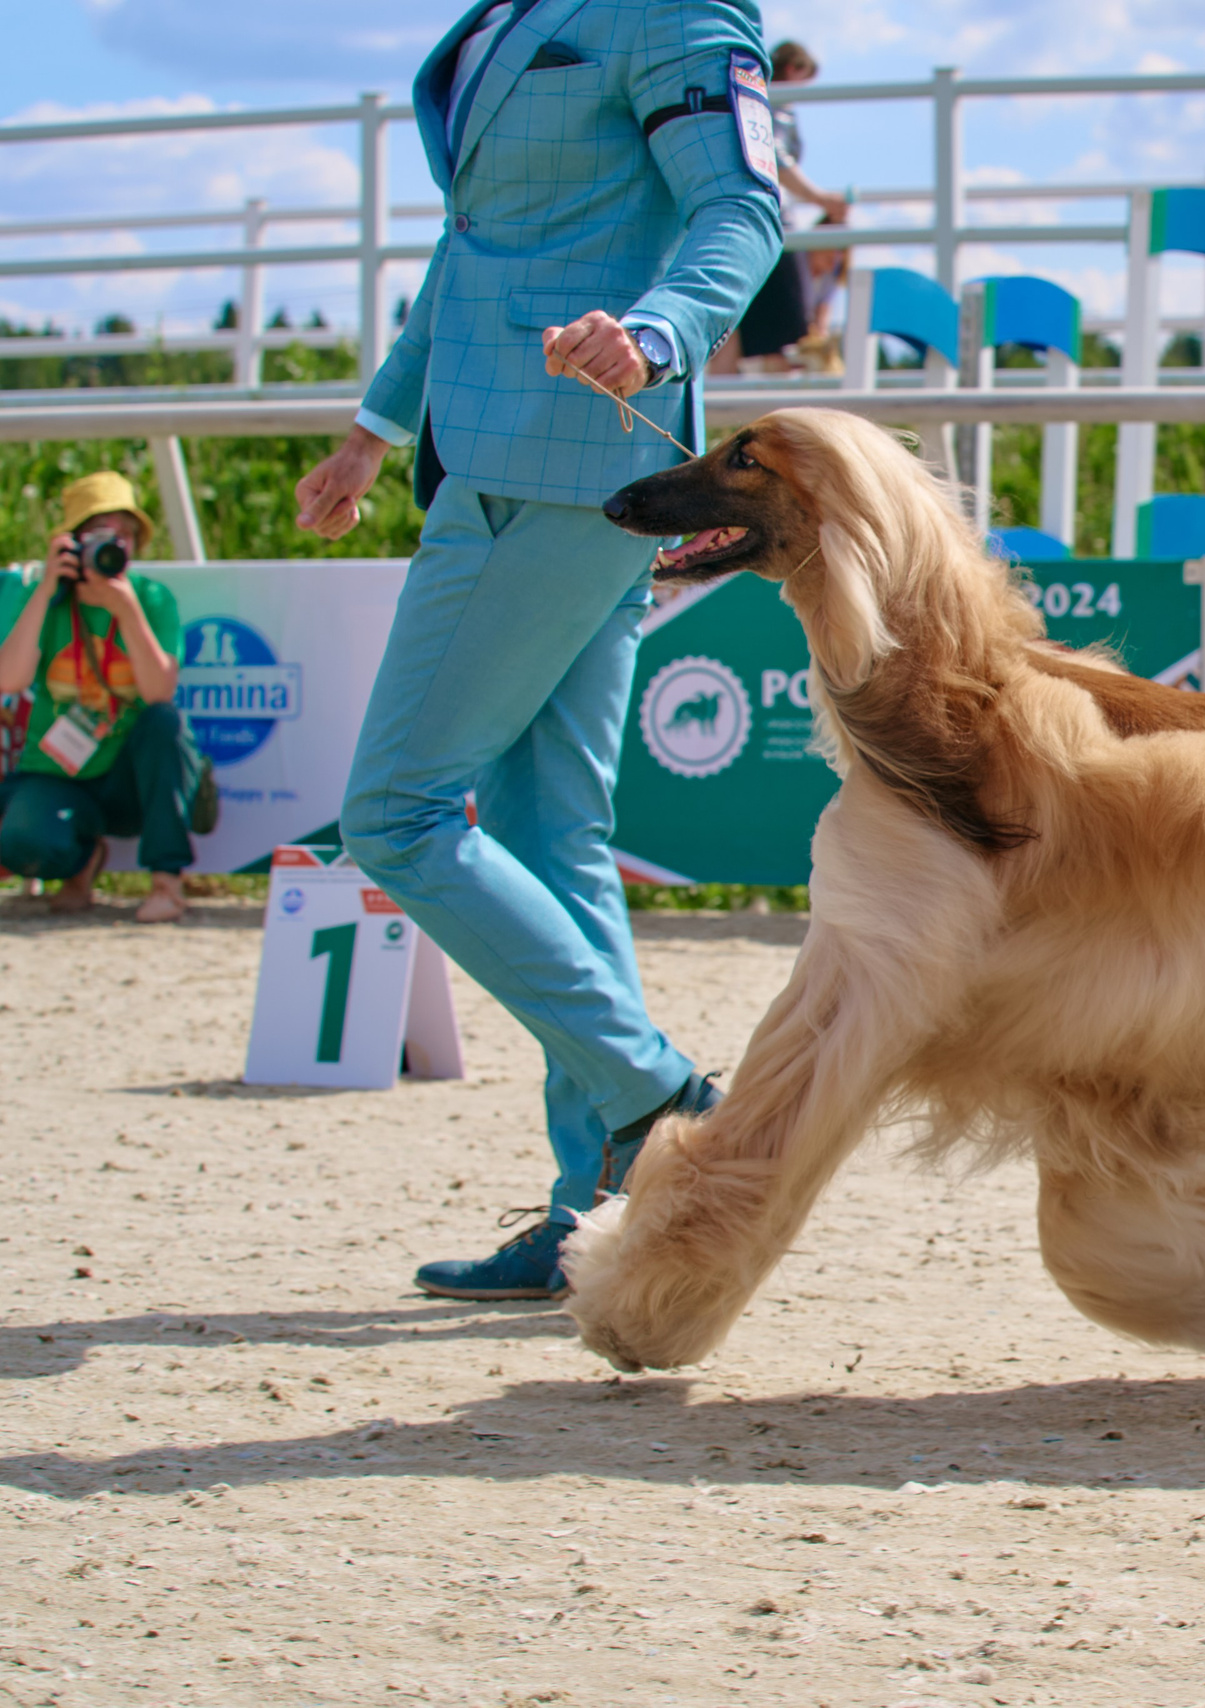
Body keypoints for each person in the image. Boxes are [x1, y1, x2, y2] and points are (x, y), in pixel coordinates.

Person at [290, 0, 784, 1301]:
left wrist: (659, 332)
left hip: (556, 463)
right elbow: (476, 246)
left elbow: (742, 207)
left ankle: (657, 1096)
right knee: (550, 833)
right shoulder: (516, 16)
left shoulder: (670, 10)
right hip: (503, 456)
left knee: (393, 813)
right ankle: (597, 1216)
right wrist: (374, 429)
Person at [0, 471, 199, 923]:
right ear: (70, 543)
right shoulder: (42, 597)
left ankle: (167, 881)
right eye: (99, 534)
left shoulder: (151, 598)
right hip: (56, 773)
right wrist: (46, 588)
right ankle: (81, 863)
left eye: (125, 534)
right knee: (21, 844)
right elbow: (9, 680)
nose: (114, 544)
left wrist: (126, 610)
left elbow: (159, 693)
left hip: (128, 778)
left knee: (165, 724)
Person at [710, 38, 847, 374]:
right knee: (787, 339)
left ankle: (721, 403)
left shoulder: (747, 95)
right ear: (793, 68)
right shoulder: (773, 106)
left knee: (732, 329)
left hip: (733, 217)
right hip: (770, 224)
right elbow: (773, 157)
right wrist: (820, 198)